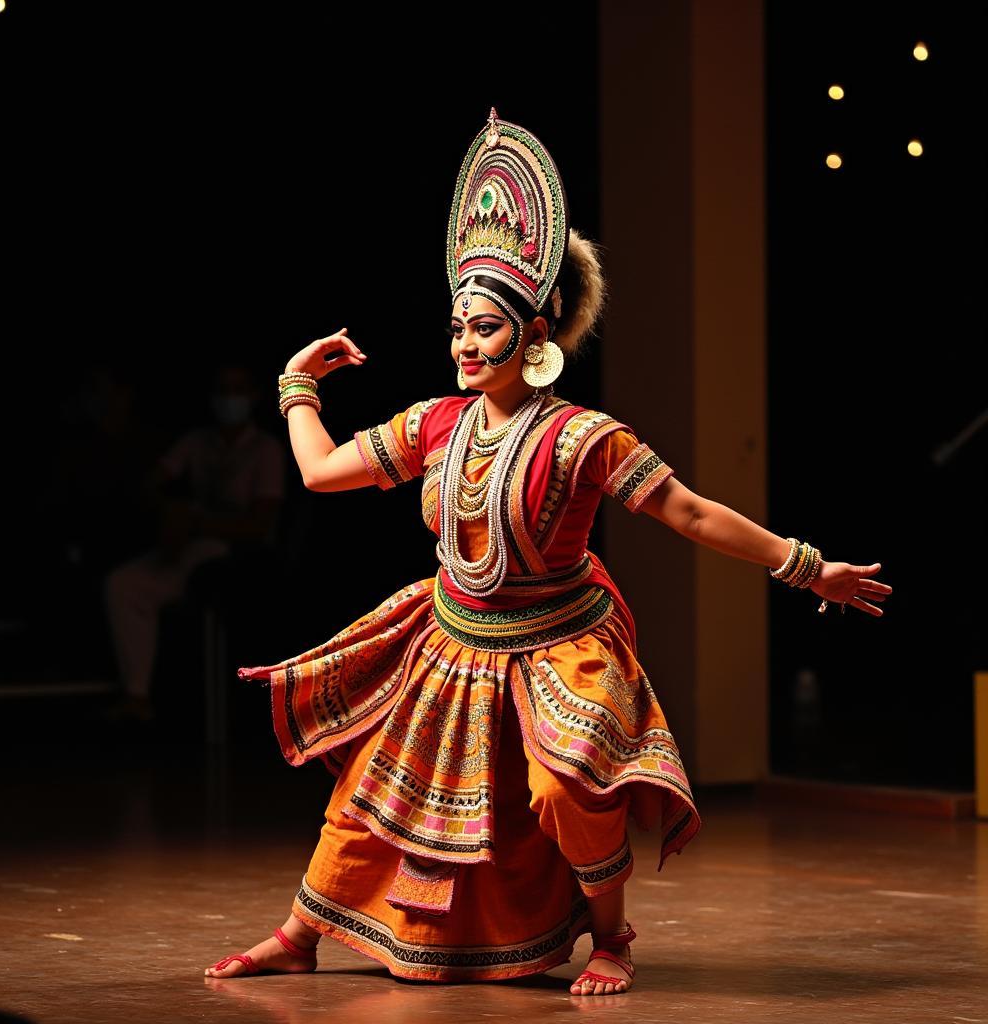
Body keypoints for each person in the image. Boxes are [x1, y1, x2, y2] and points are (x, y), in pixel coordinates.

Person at [204, 109, 892, 994]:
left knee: (567, 790)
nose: (464, 344)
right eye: (458, 327)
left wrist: (804, 565)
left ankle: (612, 937)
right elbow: (322, 473)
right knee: (376, 788)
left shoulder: (583, 437)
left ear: (536, 334)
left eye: (485, 329)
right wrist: (297, 386)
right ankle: (300, 934)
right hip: (454, 636)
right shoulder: (436, 423)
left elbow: (687, 512)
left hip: (561, 640)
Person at [103, 362, 286, 724]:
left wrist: (200, 523)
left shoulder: (266, 450)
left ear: (252, 396)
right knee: (122, 584)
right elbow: (152, 483)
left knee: (199, 572)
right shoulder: (196, 442)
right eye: (222, 391)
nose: (228, 400)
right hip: (184, 546)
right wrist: (172, 512)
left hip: (229, 554)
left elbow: (260, 524)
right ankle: (136, 695)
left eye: (237, 390)